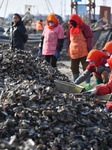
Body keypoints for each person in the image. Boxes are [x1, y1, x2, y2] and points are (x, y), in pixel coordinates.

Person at [66, 14, 93, 83]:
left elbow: (89, 38)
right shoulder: (70, 28)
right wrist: (67, 49)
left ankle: (87, 84)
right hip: (73, 53)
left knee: (86, 68)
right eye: (71, 22)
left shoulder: (84, 27)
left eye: (73, 21)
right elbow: (68, 40)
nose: (72, 23)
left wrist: (89, 49)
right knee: (74, 68)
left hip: (84, 51)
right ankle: (76, 83)